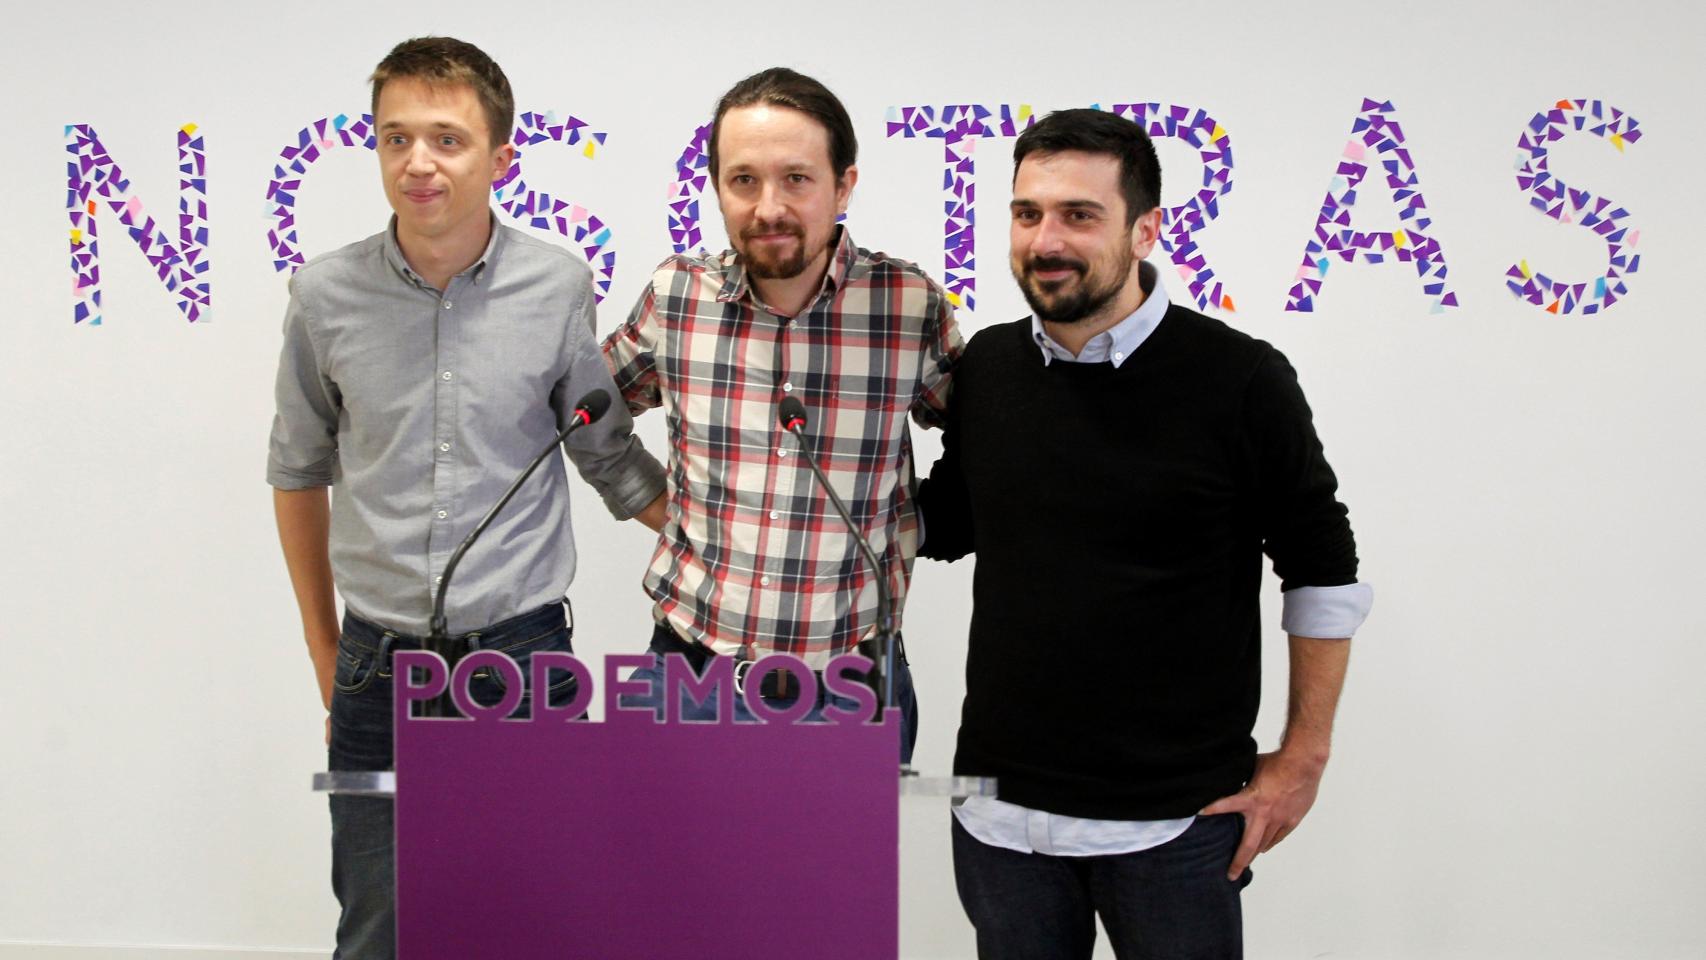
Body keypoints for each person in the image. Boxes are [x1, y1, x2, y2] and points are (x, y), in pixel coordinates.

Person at [918, 108, 1373, 959]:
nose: (1046, 240)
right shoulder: (988, 366)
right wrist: (780, 492)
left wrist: (1303, 758)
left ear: (1145, 230)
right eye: (1027, 213)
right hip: (998, 818)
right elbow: (948, 522)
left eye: (1079, 215)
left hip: (1177, 829)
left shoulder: (1239, 379)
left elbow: (1322, 568)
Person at [266, 37, 664, 959]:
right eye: (396, 138)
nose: (419, 162)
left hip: (523, 660)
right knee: (377, 928)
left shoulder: (556, 286)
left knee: (532, 921)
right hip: (375, 667)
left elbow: (604, 451)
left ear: (500, 158)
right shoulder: (324, 295)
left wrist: (717, 536)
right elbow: (298, 470)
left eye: (447, 139)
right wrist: (324, 649)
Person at [603, 68, 963, 760]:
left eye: (796, 178)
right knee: (655, 839)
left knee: (847, 845)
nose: (768, 207)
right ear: (717, 189)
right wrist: (650, 500)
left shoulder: (907, 303)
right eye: (743, 180)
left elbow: (994, 433)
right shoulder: (677, 296)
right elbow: (588, 409)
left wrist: (919, 523)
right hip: (687, 676)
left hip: (849, 688)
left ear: (843, 186)